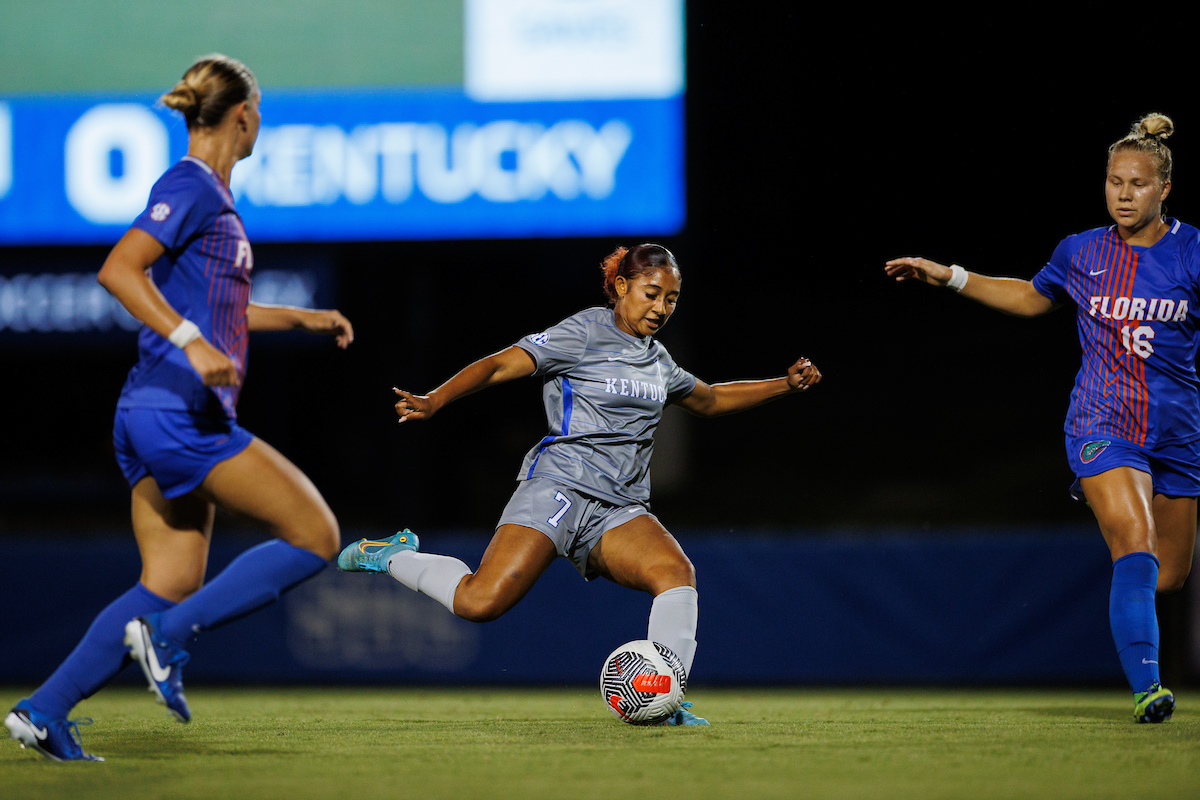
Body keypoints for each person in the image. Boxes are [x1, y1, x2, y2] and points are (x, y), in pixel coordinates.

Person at [5, 55, 353, 762]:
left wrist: (301, 319)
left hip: (147, 410)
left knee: (168, 582)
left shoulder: (210, 198)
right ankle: (166, 639)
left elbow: (221, 310)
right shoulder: (191, 184)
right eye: (259, 116)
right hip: (177, 413)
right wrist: (192, 344)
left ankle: (45, 711)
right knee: (315, 534)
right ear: (244, 116)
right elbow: (118, 268)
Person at [337, 243, 821, 725]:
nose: (661, 308)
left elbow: (711, 400)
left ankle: (668, 694)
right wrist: (436, 399)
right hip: (559, 487)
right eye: (652, 294)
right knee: (479, 603)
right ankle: (393, 553)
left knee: (676, 575)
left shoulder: (659, 361)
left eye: (672, 299)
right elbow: (501, 363)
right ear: (622, 287)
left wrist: (784, 384)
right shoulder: (586, 331)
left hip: (620, 510)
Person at [885, 113, 1191, 724]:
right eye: (1113, 181)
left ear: (1163, 190)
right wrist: (950, 276)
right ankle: (1147, 688)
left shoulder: (1193, 252)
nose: (1123, 193)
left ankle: (1131, 610)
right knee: (1134, 544)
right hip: (1102, 423)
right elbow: (1031, 296)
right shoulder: (1083, 251)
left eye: (1137, 183)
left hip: (1181, 432)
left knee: (1167, 576)